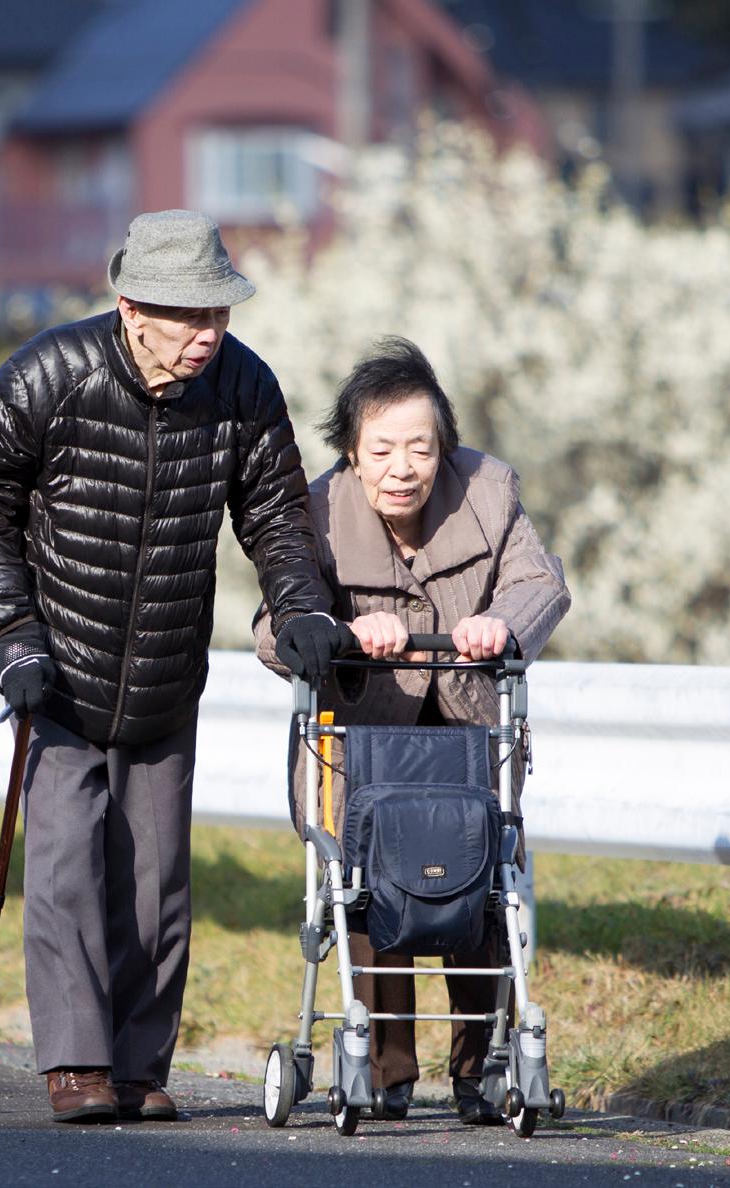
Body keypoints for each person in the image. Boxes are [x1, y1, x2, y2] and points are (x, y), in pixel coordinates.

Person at [0, 209, 352, 1124]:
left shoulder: (244, 386)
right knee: (65, 866)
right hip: (58, 671)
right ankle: (76, 1063)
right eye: (188, 316)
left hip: (169, 668)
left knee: (157, 881)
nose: (207, 334)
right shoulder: (49, 374)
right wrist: (13, 631)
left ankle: (137, 1065)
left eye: (218, 314)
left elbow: (276, 515)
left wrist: (300, 607)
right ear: (131, 308)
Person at [254, 336, 570, 1124]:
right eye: (382, 449)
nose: (403, 467)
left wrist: (501, 623)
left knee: (479, 884)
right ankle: (385, 1066)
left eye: (420, 448)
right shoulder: (317, 511)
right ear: (352, 452)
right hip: (364, 737)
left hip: (468, 732)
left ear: (444, 448)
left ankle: (482, 1066)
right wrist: (341, 631)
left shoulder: (489, 492)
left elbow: (540, 582)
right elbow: (271, 628)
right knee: (371, 881)